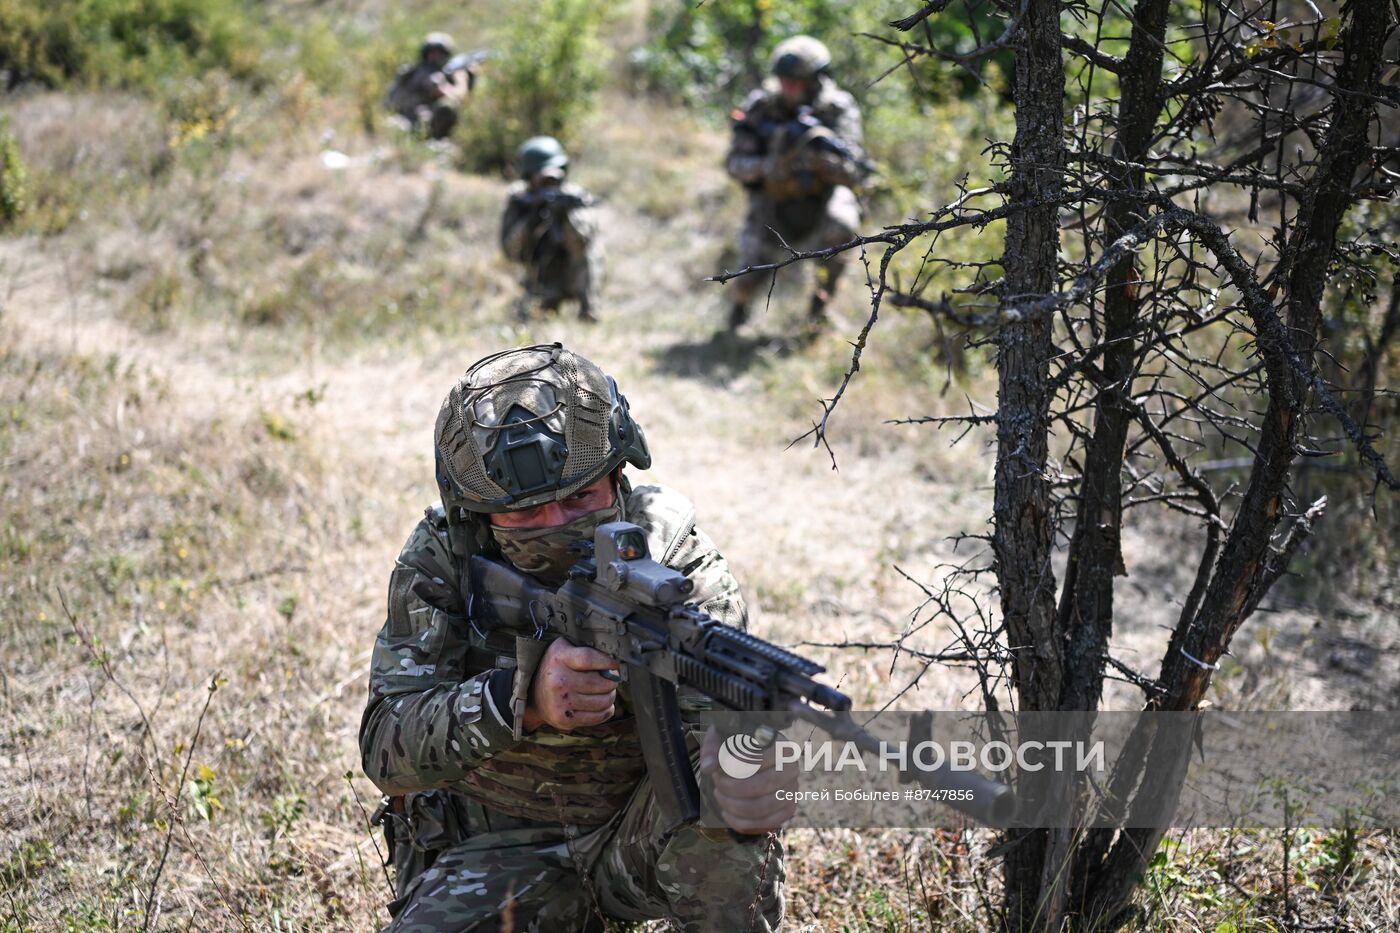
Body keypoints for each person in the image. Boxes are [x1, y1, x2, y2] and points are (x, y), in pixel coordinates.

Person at [359, 344, 791, 932]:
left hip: (634, 846)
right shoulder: (448, 556)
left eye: (578, 500)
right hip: (498, 856)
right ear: (478, 515)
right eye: (523, 516)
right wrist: (523, 699)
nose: (555, 527)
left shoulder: (677, 564)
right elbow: (387, 748)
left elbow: (721, 752)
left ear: (619, 477)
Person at [724, 35, 870, 332]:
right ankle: (736, 316)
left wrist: (817, 161)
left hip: (820, 199)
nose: (789, 86)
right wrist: (768, 166)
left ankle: (819, 310)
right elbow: (734, 164)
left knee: (843, 223)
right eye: (784, 79)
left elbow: (855, 170)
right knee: (746, 279)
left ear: (815, 80)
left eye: (797, 80)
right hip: (772, 204)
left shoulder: (837, 108)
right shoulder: (762, 105)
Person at [501, 137, 603, 322]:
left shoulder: (574, 196)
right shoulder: (520, 198)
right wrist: (531, 220)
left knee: (591, 254)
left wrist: (565, 216)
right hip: (541, 277)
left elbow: (583, 244)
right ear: (529, 177)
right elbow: (511, 251)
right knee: (527, 320)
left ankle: (588, 309)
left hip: (572, 275)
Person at [386, 32, 474, 140]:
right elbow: (456, 96)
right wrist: (462, 80)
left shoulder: (419, 71)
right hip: (418, 123)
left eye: (438, 53)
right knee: (447, 107)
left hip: (416, 120)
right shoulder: (428, 74)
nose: (434, 57)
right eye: (432, 53)